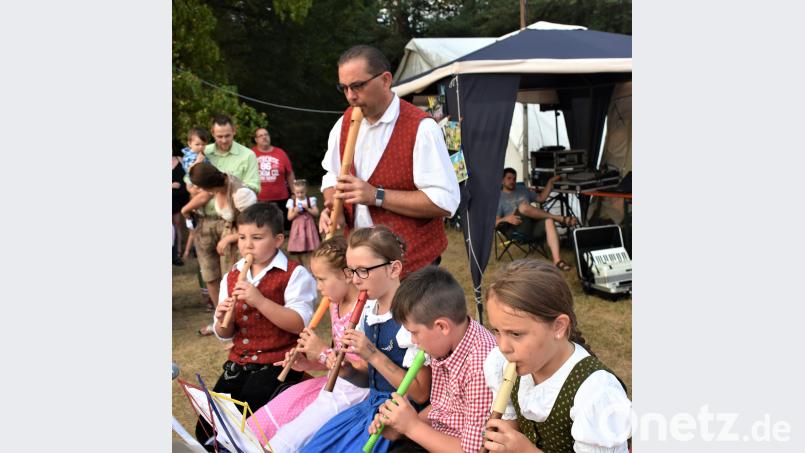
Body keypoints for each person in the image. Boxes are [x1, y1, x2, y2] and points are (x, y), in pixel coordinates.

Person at [318, 45, 460, 277]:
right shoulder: (343, 123)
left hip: (411, 264)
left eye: (358, 86)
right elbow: (331, 176)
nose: (351, 96)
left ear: (385, 80)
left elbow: (445, 202)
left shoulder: (421, 128)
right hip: (360, 264)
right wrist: (334, 207)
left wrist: (377, 195)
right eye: (343, 88)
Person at [195, 202, 318, 449]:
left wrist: (259, 300)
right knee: (207, 428)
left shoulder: (295, 274)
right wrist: (221, 319)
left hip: (278, 364)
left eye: (257, 237)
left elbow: (299, 323)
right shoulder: (233, 274)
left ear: (278, 240)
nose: (247, 245)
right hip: (239, 362)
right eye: (241, 237)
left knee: (248, 426)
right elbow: (224, 333)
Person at [301, 226, 431, 453]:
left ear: (394, 269)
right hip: (370, 407)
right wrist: (349, 371)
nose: (355, 280)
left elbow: (420, 393)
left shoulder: (413, 319)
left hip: (398, 415)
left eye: (363, 271)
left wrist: (372, 353)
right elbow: (370, 380)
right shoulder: (369, 313)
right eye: (351, 271)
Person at [481, 259, 631, 452]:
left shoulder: (596, 393)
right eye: (496, 330)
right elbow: (508, 435)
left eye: (515, 334)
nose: (503, 346)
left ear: (559, 327)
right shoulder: (504, 364)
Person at [246, 236, 370, 450]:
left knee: (294, 435)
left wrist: (322, 352)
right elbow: (342, 357)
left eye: (322, 279)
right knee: (280, 409)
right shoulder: (336, 304)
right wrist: (309, 364)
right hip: (336, 381)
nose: (318, 287)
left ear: (347, 275)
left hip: (357, 392)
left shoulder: (367, 310)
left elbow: (364, 369)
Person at [368, 266, 497, 452]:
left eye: (414, 333)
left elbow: (473, 450)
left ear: (442, 327)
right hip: (438, 436)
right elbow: (442, 407)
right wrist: (400, 427)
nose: (413, 341)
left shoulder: (480, 367)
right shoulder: (447, 342)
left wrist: (412, 427)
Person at [187, 115, 261, 331]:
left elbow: (253, 189)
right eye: (219, 136)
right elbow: (191, 183)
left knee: (234, 273)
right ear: (213, 134)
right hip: (205, 220)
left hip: (233, 222)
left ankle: (240, 317)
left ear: (234, 131)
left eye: (227, 135)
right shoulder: (203, 152)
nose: (224, 140)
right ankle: (220, 319)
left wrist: (228, 190)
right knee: (209, 272)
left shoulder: (246, 155)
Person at [496, 167, 576, 272]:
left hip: (533, 226)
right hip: (517, 228)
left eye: (514, 179)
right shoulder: (498, 198)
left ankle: (557, 261)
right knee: (523, 206)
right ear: (502, 180)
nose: (512, 181)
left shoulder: (523, 189)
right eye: (509, 178)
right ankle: (560, 218)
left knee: (548, 221)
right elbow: (494, 223)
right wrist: (506, 218)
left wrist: (550, 182)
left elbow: (541, 198)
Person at [252, 127, 295, 230]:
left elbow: (289, 173)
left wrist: (294, 192)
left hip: (280, 198)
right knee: (262, 227)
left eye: (266, 134)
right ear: (256, 139)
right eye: (260, 136)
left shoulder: (280, 153)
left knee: (281, 227)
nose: (264, 137)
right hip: (259, 199)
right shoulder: (251, 154)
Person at [286, 179, 321, 266]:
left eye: (302, 192)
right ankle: (300, 264)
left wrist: (308, 208)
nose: (300, 194)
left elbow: (316, 213)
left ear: (306, 191)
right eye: (297, 192)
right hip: (297, 226)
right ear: (294, 192)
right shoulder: (292, 202)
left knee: (311, 246)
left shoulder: (310, 200)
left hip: (308, 225)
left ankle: (311, 263)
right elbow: (289, 217)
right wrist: (295, 211)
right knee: (298, 247)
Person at [172, 148, 190, 266]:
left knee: (184, 224)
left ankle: (182, 250)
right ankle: (175, 252)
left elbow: (189, 174)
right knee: (174, 224)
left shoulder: (180, 159)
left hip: (184, 196)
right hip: (171, 197)